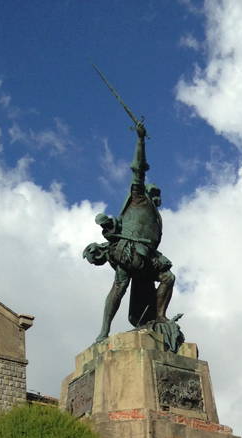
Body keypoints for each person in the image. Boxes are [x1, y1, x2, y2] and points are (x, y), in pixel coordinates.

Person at [84, 120, 176, 343]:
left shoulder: (155, 213)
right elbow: (139, 168)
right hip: (131, 251)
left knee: (167, 277)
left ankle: (160, 316)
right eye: (153, 192)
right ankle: (104, 331)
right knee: (119, 287)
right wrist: (141, 139)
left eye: (158, 193)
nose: (157, 196)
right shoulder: (137, 196)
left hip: (147, 254)